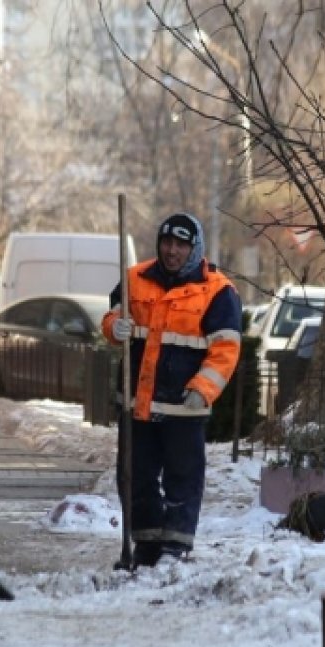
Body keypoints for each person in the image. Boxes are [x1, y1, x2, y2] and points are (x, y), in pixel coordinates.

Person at [101, 212, 242, 566]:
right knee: (136, 477)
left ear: (195, 249)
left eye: (181, 245)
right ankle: (146, 545)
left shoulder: (219, 291)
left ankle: (176, 545)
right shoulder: (134, 278)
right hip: (138, 404)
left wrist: (203, 389)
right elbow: (112, 315)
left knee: (183, 478)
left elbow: (226, 349)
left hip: (184, 408)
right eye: (167, 243)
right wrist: (113, 326)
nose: (172, 251)